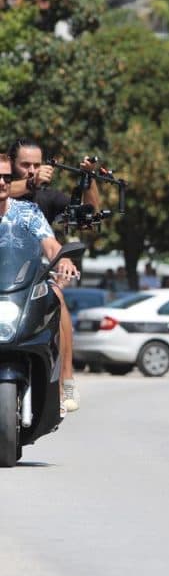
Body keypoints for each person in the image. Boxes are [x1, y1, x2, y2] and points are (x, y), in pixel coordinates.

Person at [9, 140, 99, 414]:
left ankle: (66, 381)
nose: (31, 170)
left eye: (37, 165)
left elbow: (88, 215)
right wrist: (30, 184)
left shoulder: (45, 201)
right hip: (4, 277)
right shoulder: (6, 193)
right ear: (11, 166)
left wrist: (89, 178)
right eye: (25, 165)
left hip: (33, 278)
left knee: (57, 298)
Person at [0, 155, 79, 413]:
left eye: (7, 178)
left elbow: (51, 244)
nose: (3, 183)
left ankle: (60, 382)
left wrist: (63, 261)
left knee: (55, 297)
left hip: (18, 292)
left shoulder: (27, 213)